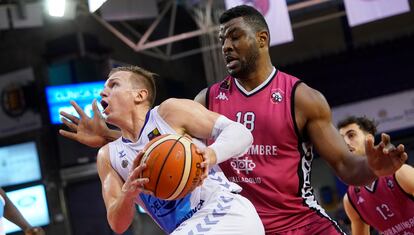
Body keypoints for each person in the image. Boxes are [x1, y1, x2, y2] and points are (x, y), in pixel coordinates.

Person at [59, 5, 408, 235]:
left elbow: (346, 167)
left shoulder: (300, 97)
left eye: (234, 36)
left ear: (262, 38)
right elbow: (156, 148)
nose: (226, 45)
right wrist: (109, 134)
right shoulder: (207, 99)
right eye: (221, 39)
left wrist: (373, 168)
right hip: (234, 222)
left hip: (299, 222)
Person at [62, 65, 264, 235]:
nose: (102, 92)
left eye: (114, 84)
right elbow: (117, 224)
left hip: (226, 211)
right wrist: (128, 193)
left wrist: (211, 155)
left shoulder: (169, 113)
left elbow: (242, 133)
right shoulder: (108, 156)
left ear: (140, 95)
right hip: (187, 228)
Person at [338, 116, 414, 235]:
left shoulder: (400, 173)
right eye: (341, 140)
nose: (346, 142)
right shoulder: (350, 200)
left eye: (351, 135)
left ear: (369, 138)